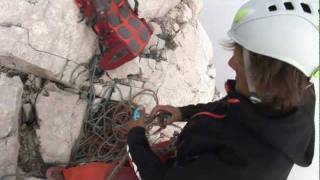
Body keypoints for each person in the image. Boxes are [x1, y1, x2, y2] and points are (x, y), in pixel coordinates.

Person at [123, 0, 319, 180]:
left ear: (266, 82)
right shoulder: (289, 96)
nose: (231, 63)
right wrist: (184, 112)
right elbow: (234, 107)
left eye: (240, 61)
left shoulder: (242, 168)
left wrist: (135, 135)